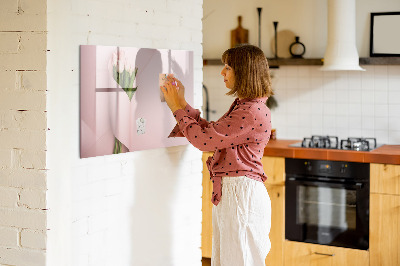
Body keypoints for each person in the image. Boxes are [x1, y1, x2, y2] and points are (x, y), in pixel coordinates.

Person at [161, 44, 273, 266]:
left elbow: (204, 141)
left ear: (244, 72)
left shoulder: (250, 111)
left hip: (241, 195)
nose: (222, 72)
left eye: (228, 67)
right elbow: (212, 133)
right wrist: (182, 104)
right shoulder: (246, 106)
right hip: (236, 193)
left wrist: (176, 108)